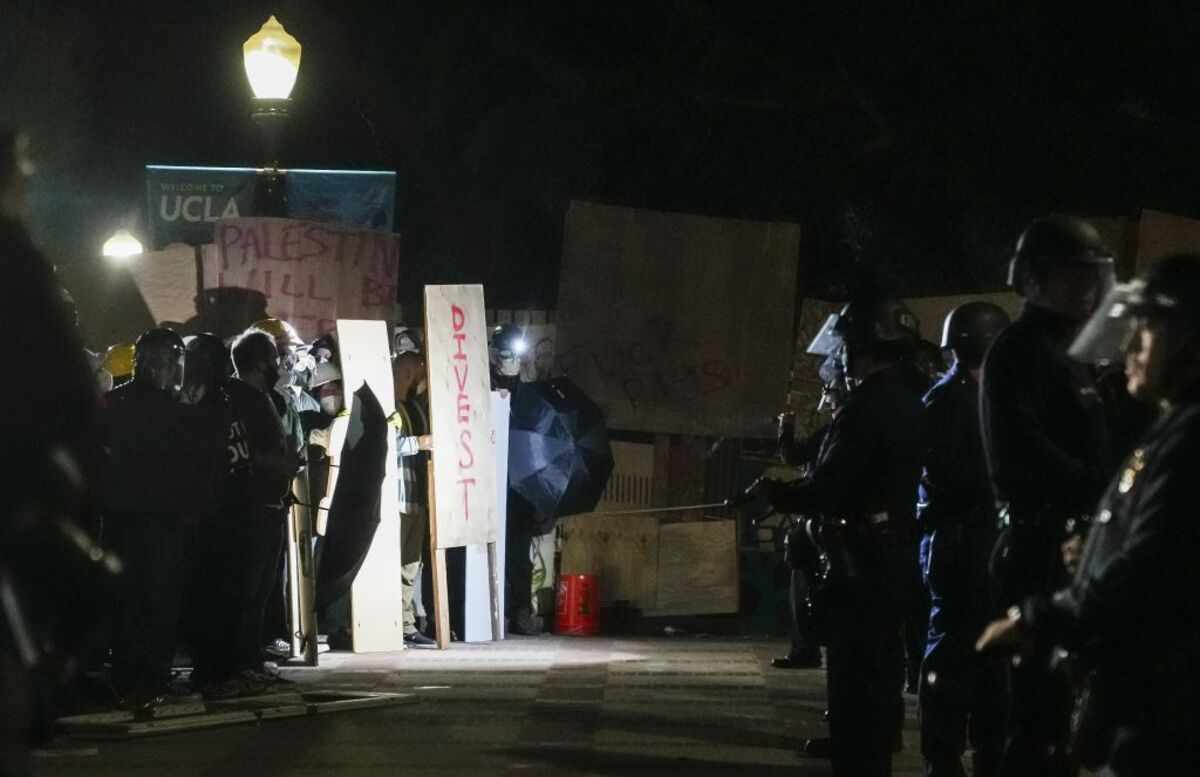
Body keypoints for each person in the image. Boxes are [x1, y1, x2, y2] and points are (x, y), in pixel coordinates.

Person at [978, 254, 1200, 776]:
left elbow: (1150, 570)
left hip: (1170, 710)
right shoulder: (1174, 427)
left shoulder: (1192, 438)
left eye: (1147, 329)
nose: (1129, 347)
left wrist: (1037, 618)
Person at [757, 293, 927, 777]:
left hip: (859, 559)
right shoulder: (909, 402)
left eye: (849, 348)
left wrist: (778, 496)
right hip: (894, 550)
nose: (844, 359)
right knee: (880, 671)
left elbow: (829, 486)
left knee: (853, 684)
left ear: (864, 349)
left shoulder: (863, 408)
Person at [980, 215, 1120, 777]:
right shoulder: (1020, 351)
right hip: (1039, 546)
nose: (1084, 287)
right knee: (1041, 720)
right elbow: (1027, 454)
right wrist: (1111, 487)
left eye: (1091, 275)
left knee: (1066, 718)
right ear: (1032, 280)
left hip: (1076, 544)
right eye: (1069, 275)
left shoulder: (1073, 350)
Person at [1, 125, 115, 772]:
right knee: (92, 581)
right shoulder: (16, 260)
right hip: (16, 482)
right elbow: (67, 381)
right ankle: (45, 686)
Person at [918, 301, 1010, 777]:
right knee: (953, 655)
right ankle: (943, 756)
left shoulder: (992, 395)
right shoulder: (947, 399)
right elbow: (949, 474)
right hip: (959, 542)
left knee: (994, 661)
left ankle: (989, 751)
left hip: (990, 542)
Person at [101, 328, 213, 715]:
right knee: (159, 603)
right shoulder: (174, 411)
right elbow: (191, 466)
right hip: (161, 520)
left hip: (117, 518)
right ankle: (151, 681)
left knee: (126, 603)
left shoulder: (112, 403)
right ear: (168, 363)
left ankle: (126, 681)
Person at [771, 353, 846, 671]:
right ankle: (807, 648)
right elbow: (795, 455)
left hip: (833, 523)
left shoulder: (844, 428)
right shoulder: (833, 430)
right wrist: (785, 429)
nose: (827, 400)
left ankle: (807, 648)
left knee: (811, 588)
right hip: (824, 523)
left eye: (831, 392)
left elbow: (806, 466)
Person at [490, 324, 541, 635]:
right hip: (489, 479)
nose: (508, 358)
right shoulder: (484, 381)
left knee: (519, 554)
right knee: (487, 550)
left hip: (520, 485)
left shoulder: (528, 391)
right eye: (503, 351)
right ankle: (487, 610)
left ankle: (520, 611)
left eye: (513, 353)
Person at [389, 336, 435, 647]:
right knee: (394, 562)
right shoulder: (387, 404)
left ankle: (406, 623)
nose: (423, 382)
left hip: (416, 497)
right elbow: (383, 446)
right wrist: (416, 444)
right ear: (407, 374)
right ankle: (390, 622)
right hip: (396, 497)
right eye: (420, 375)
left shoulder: (412, 408)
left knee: (409, 564)